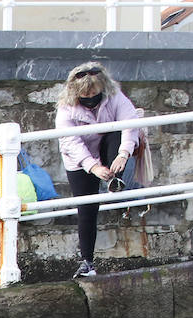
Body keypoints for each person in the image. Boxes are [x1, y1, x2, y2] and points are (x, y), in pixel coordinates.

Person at [55, 61, 141, 279]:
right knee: (87, 208)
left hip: (107, 147)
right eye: (85, 96)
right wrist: (92, 167)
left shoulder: (115, 96)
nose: (91, 100)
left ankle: (116, 180)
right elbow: (70, 141)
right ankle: (87, 263)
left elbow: (130, 123)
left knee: (115, 134)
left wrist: (124, 154)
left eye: (95, 94)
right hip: (80, 159)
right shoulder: (66, 109)